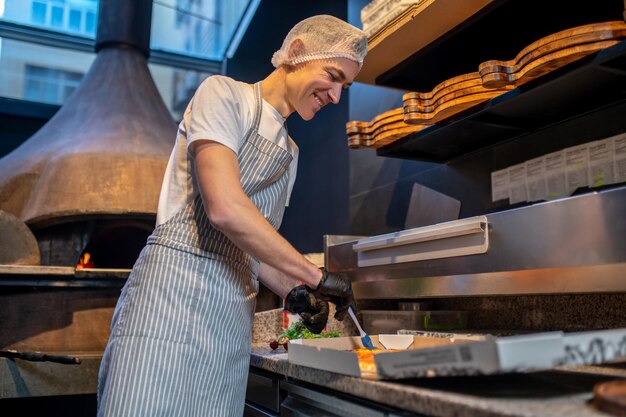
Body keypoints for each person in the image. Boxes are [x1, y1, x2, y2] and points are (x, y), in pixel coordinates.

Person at [97, 14, 368, 417]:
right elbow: (224, 208)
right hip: (171, 303)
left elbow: (253, 249)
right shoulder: (222, 95)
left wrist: (296, 291)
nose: (335, 97)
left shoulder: (290, 154)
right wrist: (315, 276)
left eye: (344, 86)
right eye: (333, 76)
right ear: (296, 53)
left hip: (228, 322)